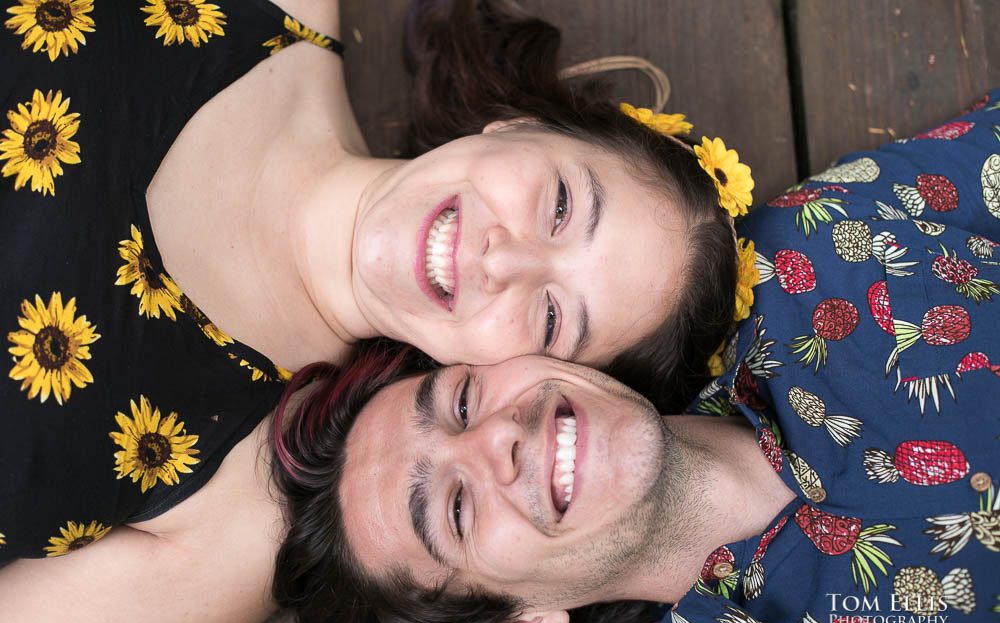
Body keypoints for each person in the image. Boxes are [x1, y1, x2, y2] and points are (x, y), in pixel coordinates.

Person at [0, 1, 739, 572]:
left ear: (523, 376)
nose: (503, 261)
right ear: (516, 126)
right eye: (561, 205)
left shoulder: (235, 517)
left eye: (550, 318)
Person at [267, 92, 1000, 623]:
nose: (496, 439)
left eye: (462, 400)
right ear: (528, 620)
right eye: (456, 509)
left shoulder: (812, 251)